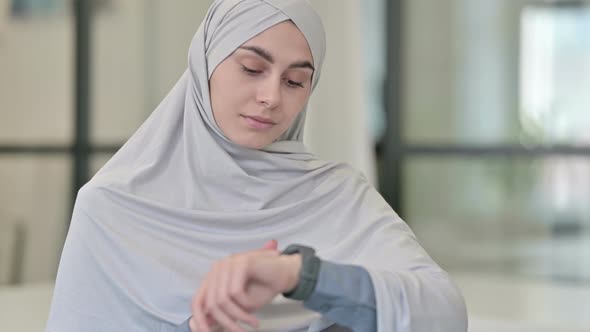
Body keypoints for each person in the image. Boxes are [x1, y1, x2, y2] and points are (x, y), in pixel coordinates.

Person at [45, 0, 468, 331]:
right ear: (205, 63)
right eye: (251, 68)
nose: (271, 96)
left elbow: (443, 312)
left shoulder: (337, 194)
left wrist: (299, 274)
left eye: (294, 81)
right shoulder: (111, 206)